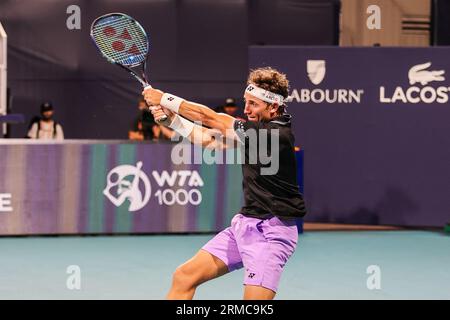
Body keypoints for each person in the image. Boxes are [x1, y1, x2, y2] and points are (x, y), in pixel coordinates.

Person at [143, 67, 306, 300]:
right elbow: (209, 140)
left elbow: (213, 120)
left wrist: (164, 98)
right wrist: (174, 120)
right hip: (244, 226)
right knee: (184, 277)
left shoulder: (276, 135)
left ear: (273, 106)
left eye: (254, 104)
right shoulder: (255, 130)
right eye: (246, 102)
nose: (247, 109)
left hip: (271, 232)